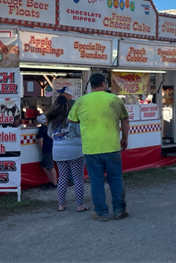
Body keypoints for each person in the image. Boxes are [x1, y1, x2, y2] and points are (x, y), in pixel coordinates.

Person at [68, 72, 130, 222]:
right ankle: (119, 210)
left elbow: (72, 120)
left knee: (96, 181)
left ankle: (101, 213)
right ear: (104, 84)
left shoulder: (81, 101)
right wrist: (125, 139)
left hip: (91, 149)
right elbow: (125, 120)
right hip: (112, 147)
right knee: (115, 179)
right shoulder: (114, 99)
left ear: (90, 85)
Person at [46, 96, 89, 212]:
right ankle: (80, 205)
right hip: (75, 152)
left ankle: (61, 205)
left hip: (58, 152)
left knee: (63, 178)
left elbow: (50, 135)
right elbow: (80, 133)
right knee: (78, 178)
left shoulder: (51, 121)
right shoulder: (73, 118)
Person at [36, 114, 57, 189]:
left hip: (46, 149)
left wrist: (41, 149)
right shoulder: (50, 127)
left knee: (50, 166)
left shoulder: (42, 129)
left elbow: (40, 141)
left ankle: (54, 183)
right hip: (52, 147)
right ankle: (51, 181)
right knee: (44, 166)